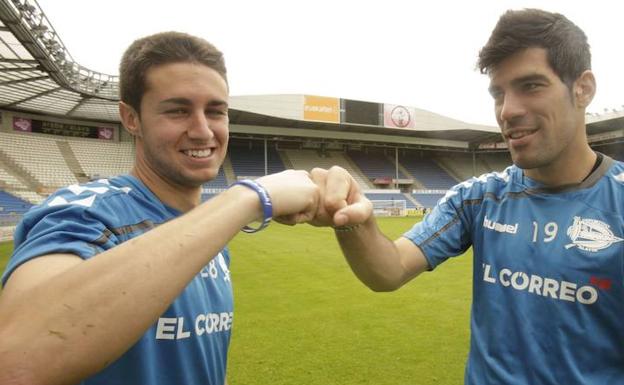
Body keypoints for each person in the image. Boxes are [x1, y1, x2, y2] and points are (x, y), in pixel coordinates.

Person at [311, 8, 624, 384]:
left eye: (531, 86)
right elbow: (388, 270)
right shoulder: (478, 198)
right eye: (498, 93)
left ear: (583, 88)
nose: (507, 111)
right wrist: (352, 219)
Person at [0, 32, 320, 385]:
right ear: (131, 118)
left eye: (215, 111)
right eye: (178, 110)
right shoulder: (87, 213)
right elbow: (16, 360)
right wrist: (248, 197)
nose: (202, 131)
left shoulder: (204, 233)